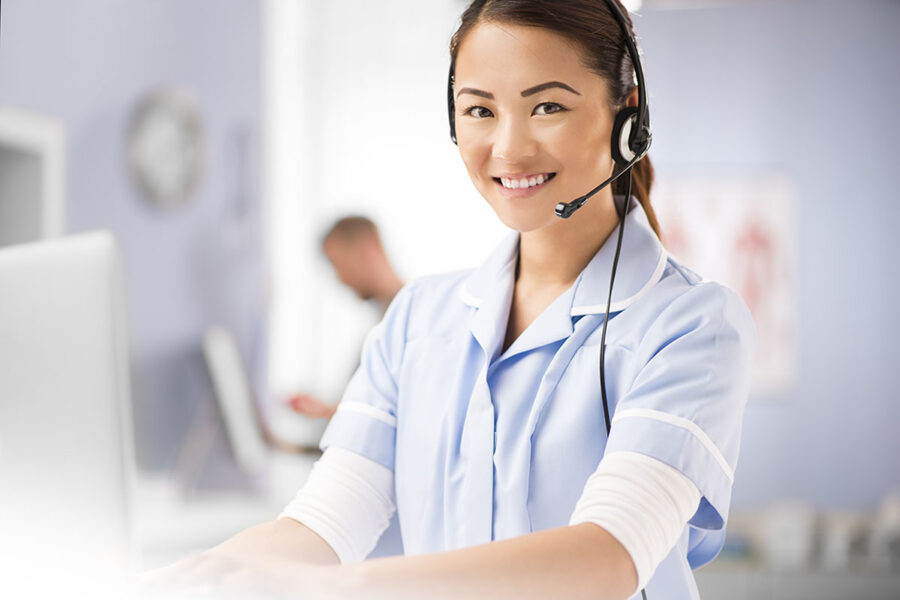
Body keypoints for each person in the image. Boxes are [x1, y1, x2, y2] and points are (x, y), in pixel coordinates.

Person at [146, 2, 755, 599]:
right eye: (480, 110)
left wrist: (336, 586)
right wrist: (193, 577)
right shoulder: (417, 320)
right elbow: (323, 522)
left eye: (548, 106)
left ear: (627, 115)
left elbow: (608, 558)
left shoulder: (692, 324)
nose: (509, 149)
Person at [288, 216, 405, 421]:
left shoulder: (409, 319)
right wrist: (326, 411)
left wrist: (330, 413)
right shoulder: (386, 318)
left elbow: (393, 419)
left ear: (367, 249)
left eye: (336, 263)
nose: (340, 278)